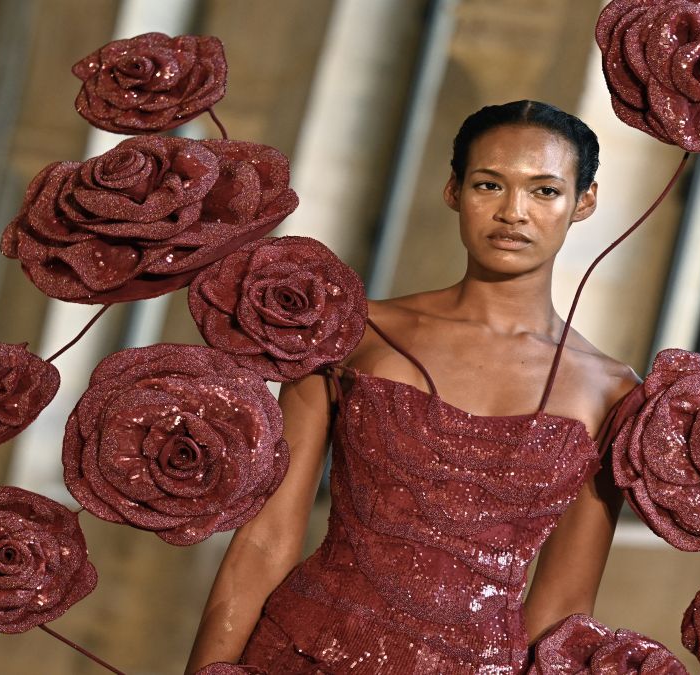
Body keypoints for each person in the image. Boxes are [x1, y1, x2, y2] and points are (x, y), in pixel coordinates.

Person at [185, 100, 639, 674]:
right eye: (489, 184)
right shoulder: (353, 330)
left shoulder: (613, 394)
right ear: (454, 190)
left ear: (585, 201)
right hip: (300, 652)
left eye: (545, 191)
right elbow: (264, 540)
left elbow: (564, 612)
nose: (513, 213)